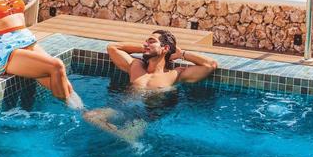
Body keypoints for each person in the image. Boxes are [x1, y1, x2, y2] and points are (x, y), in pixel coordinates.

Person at [81, 30, 218, 143]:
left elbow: (210, 65)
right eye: (146, 41)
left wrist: (180, 54)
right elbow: (112, 47)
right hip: (122, 109)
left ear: (165, 48)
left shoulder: (175, 74)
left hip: (145, 117)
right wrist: (145, 48)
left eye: (151, 41)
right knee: (90, 116)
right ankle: (124, 137)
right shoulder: (136, 66)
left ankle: (126, 138)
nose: (146, 43)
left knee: (124, 144)